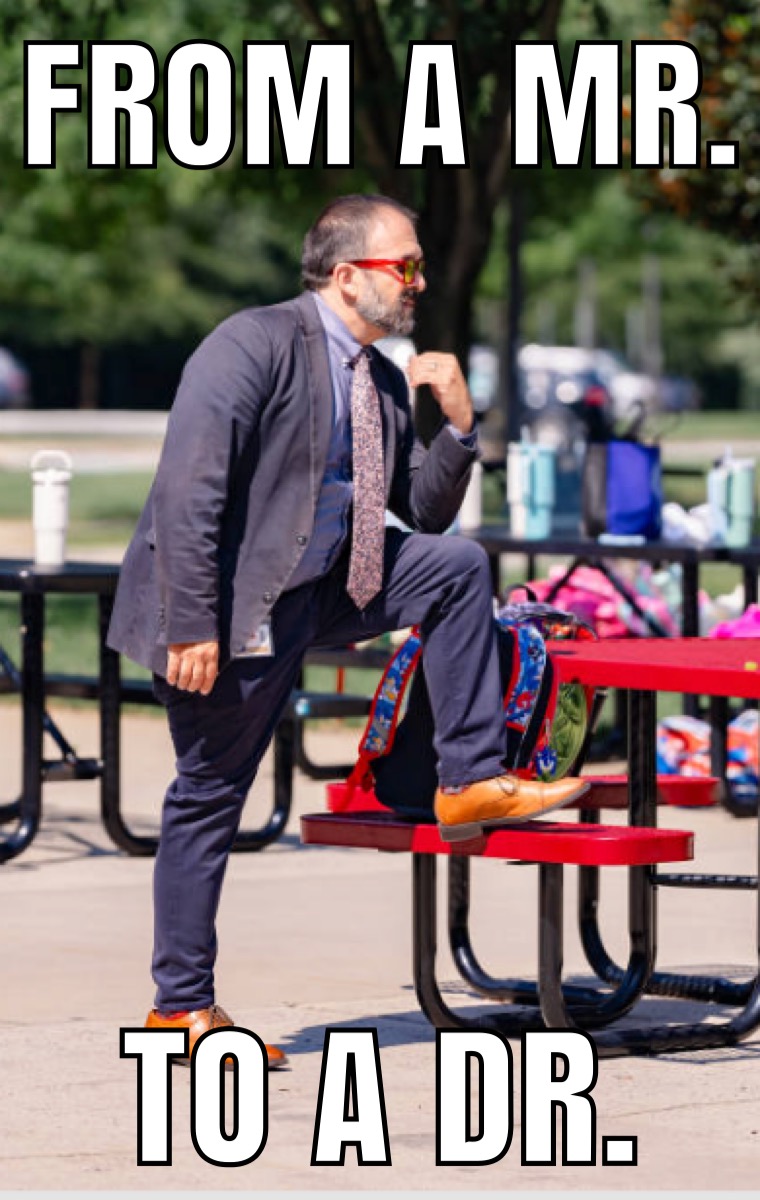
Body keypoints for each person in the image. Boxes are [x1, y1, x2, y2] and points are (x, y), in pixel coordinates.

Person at [108, 194, 589, 1068]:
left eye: (419, 266)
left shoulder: (379, 379)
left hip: (327, 589)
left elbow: (422, 511)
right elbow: (189, 490)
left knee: (455, 567)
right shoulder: (251, 345)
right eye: (405, 266)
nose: (418, 281)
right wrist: (192, 623)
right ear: (345, 275)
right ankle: (180, 1006)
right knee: (209, 796)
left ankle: (468, 779)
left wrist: (461, 423)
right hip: (233, 607)